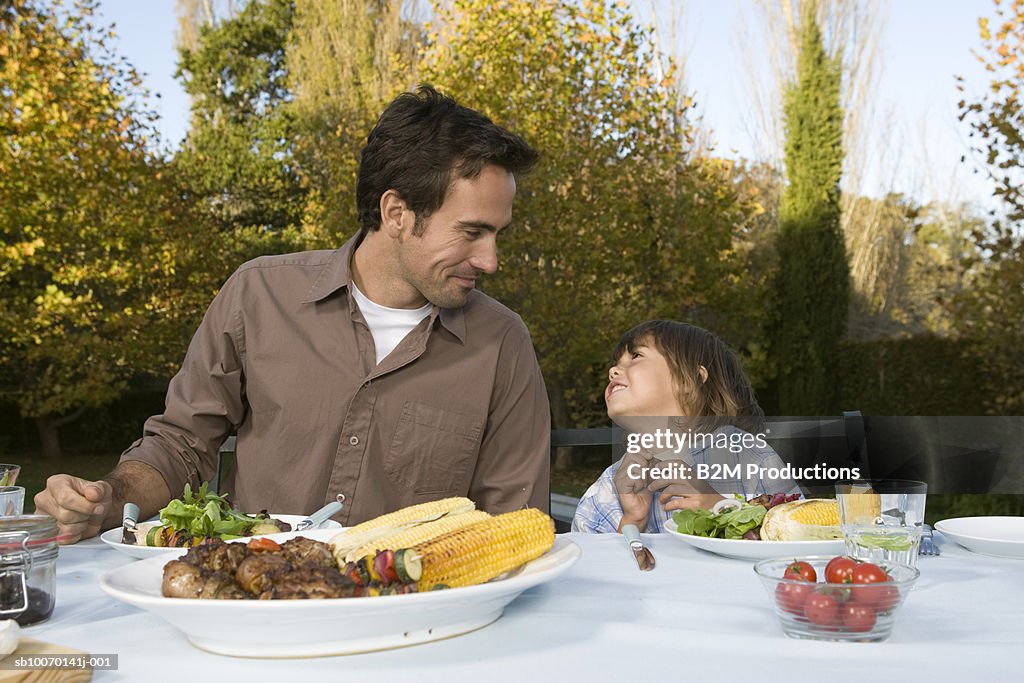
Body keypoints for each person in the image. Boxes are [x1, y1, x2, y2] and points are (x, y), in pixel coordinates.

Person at [36, 85, 551, 543]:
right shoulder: (257, 295)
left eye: (496, 234)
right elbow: (180, 446)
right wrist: (106, 498)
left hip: (417, 627)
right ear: (397, 213)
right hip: (251, 610)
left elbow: (514, 523)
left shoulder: (502, 343)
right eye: (471, 232)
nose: (490, 260)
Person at [572, 320, 795, 534]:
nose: (613, 371)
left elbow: (799, 541)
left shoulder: (750, 458)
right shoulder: (609, 487)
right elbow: (590, 568)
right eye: (617, 363)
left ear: (689, 381)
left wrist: (719, 508)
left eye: (636, 356)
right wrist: (632, 522)